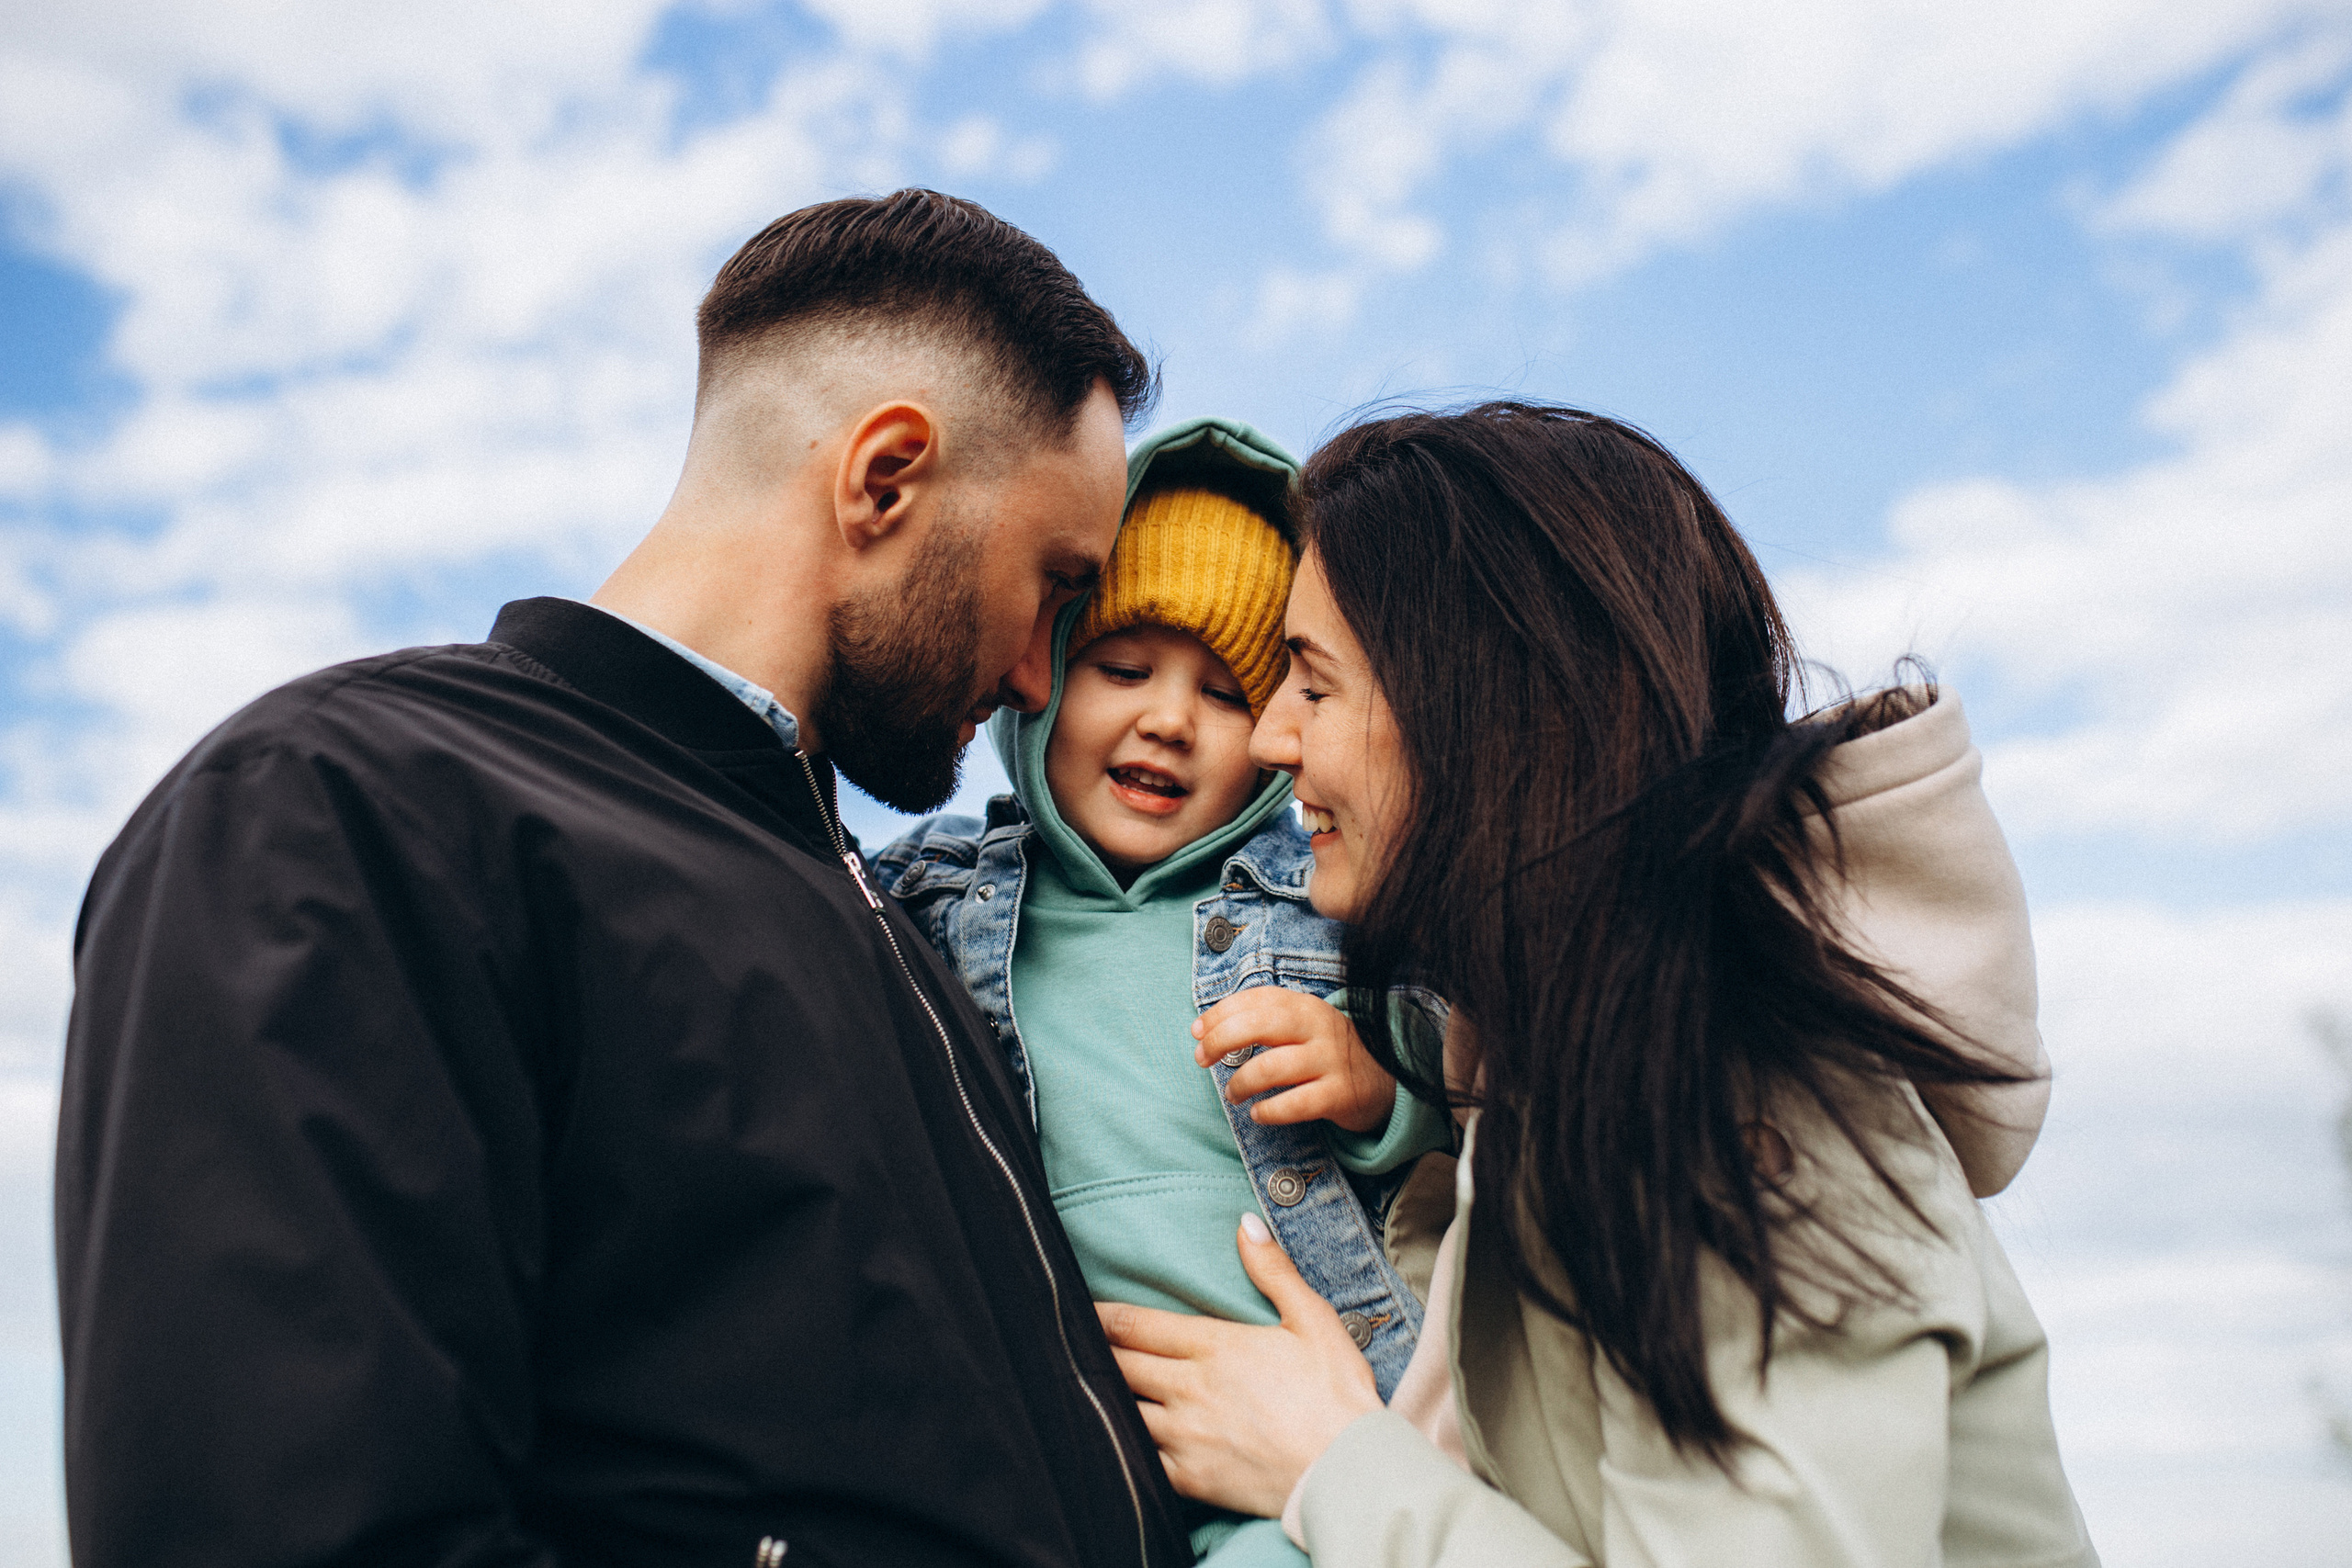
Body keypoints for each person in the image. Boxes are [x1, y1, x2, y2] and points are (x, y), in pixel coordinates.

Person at [56, 189, 1198, 1568]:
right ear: (884, 478)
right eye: (1058, 584)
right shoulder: (343, 806)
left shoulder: (904, 928)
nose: (1039, 673)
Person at [1098, 403, 2098, 1566]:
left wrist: (1333, 1464)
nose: (1271, 741)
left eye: (1312, 686)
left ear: (1475, 706)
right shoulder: (1550, 1083)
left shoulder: (1730, 1085)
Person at [871, 416, 1453, 1568]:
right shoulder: (932, 894)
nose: (1168, 720)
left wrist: (1377, 1091)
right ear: (1038, 675)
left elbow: (1467, 1082)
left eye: (1229, 694)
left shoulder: (1324, 905)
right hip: (1048, 1435)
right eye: (1121, 668)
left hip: (1296, 1421)